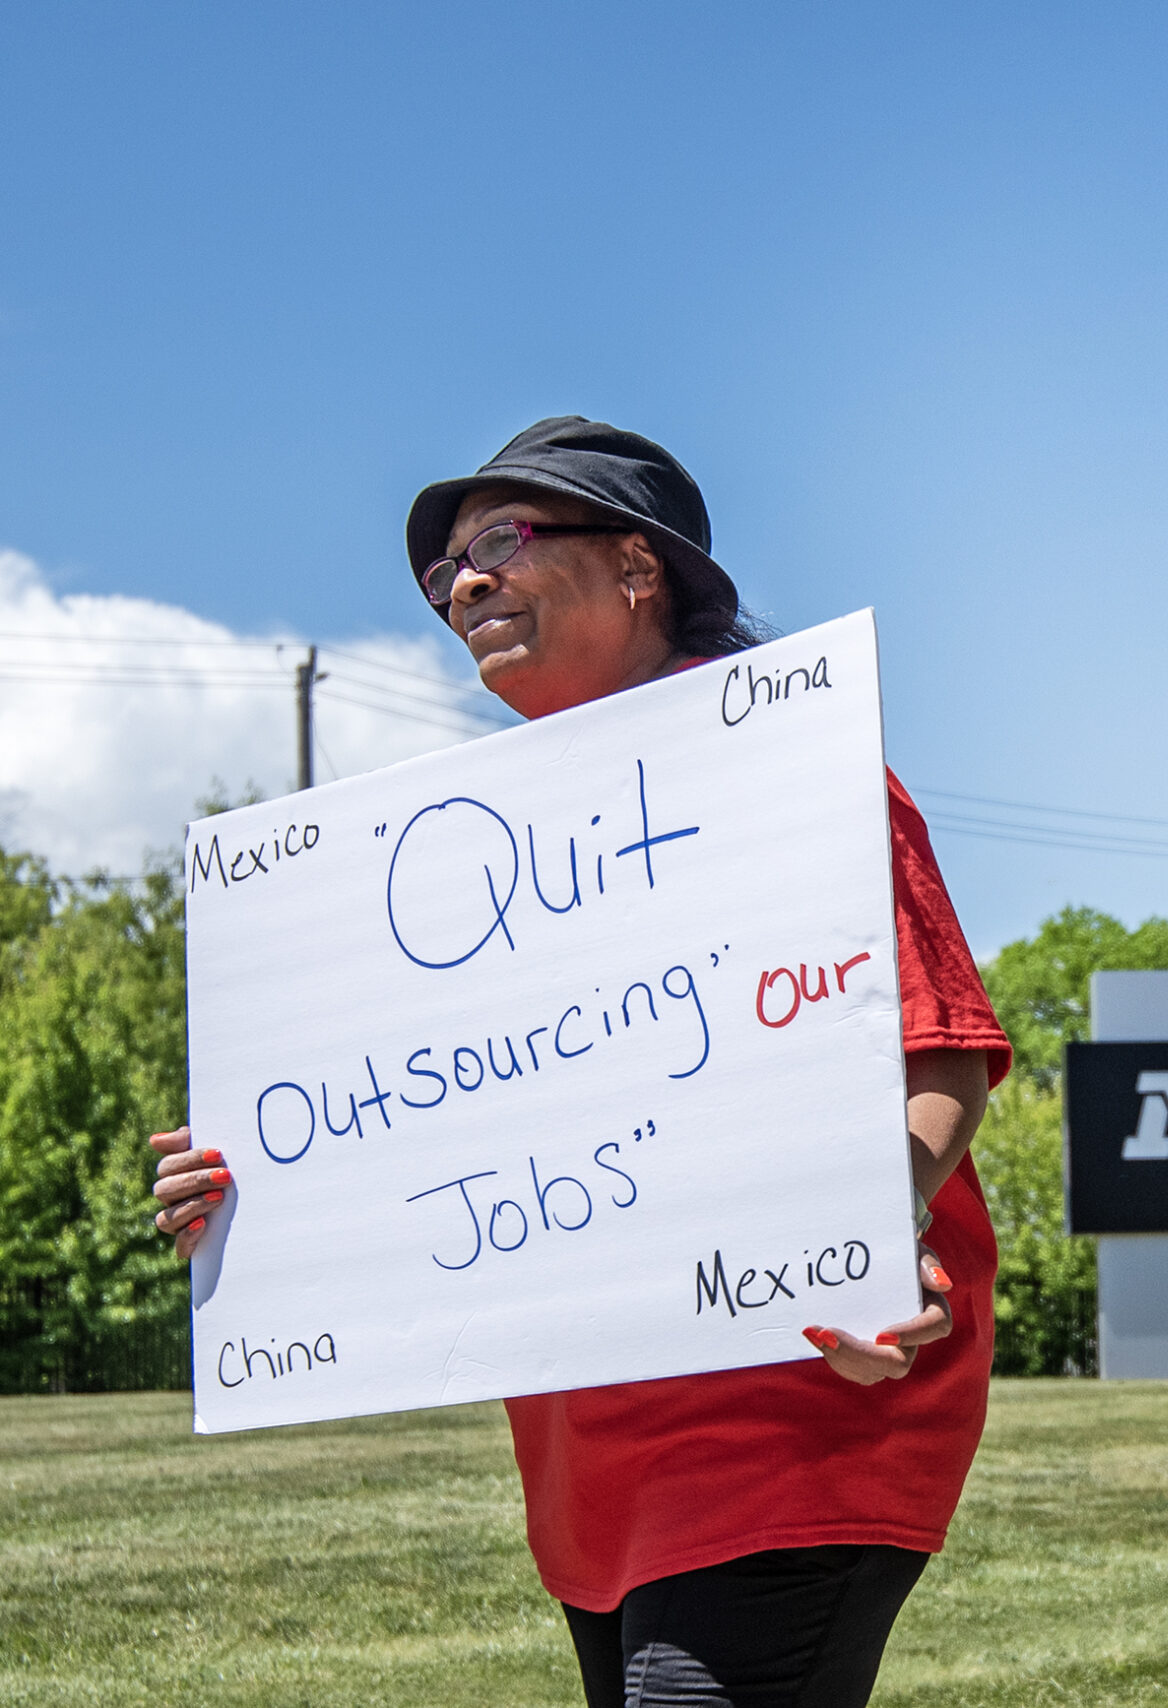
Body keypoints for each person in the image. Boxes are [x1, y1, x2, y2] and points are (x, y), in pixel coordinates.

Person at [145, 417, 1012, 1708]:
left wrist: (866, 1235)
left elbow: (944, 1063)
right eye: (447, 572)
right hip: (593, 1469)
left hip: (797, 1419)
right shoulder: (474, 869)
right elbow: (414, 1130)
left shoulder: (794, 774)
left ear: (638, 569)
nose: (464, 584)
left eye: (500, 541)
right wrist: (250, 1202)